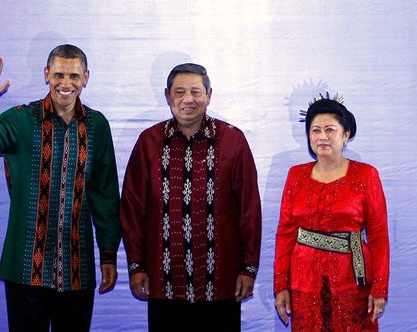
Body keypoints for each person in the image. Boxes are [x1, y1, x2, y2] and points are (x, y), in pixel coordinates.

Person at [0, 44, 121, 332]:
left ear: (86, 77)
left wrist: (108, 254)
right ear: (46, 74)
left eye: (74, 76)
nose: (66, 84)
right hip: (24, 268)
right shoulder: (22, 119)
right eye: (58, 74)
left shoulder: (97, 125)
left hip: (77, 270)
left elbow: (106, 196)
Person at [120, 63, 262, 332]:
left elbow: (249, 209)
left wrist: (248, 268)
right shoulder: (149, 142)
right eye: (180, 91)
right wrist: (137, 265)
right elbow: (132, 208)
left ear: (208, 94)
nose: (188, 99)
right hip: (163, 283)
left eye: (196, 91)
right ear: (167, 95)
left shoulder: (233, 140)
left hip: (220, 283)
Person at [273, 93, 390, 331]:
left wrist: (379, 287)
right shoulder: (296, 176)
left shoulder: (366, 175)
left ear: (345, 135)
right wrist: (280, 286)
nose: (322, 136)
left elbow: (378, 236)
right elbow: (285, 235)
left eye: (330, 129)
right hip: (304, 281)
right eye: (315, 130)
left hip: (352, 282)